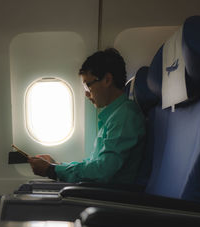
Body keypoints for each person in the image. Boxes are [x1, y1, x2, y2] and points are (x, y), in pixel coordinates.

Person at [28, 48, 146, 184]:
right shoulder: (114, 116)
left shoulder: (125, 116)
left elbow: (102, 171)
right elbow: (94, 164)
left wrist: (52, 170)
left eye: (88, 86)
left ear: (107, 80)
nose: (86, 94)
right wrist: (56, 166)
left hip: (111, 198)